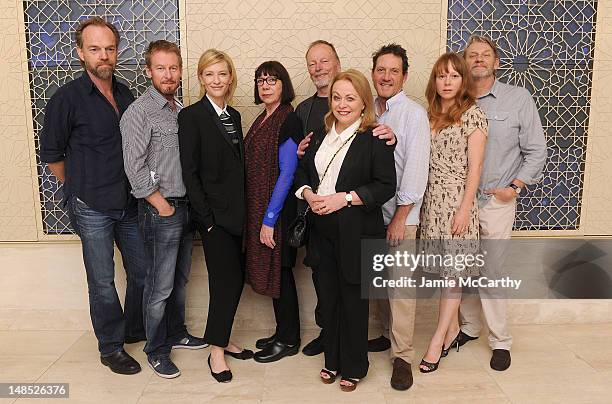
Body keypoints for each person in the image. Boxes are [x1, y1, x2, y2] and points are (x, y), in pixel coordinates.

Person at [39, 17, 146, 375]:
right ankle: (111, 347)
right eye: (95, 49)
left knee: (142, 271)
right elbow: (52, 155)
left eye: (110, 48)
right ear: (80, 52)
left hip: (128, 202)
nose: (104, 56)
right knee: (101, 281)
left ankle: (133, 329)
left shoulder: (126, 92)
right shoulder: (67, 98)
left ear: (117, 51)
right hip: (91, 206)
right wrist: (77, 189)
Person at [295, 69, 396, 392]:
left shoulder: (375, 137)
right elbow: (303, 173)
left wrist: (345, 199)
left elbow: (385, 187)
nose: (342, 104)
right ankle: (332, 360)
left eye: (350, 98)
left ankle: (354, 366)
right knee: (329, 298)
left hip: (357, 231)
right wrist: (309, 195)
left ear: (364, 102)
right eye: (337, 97)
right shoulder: (319, 134)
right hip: (321, 229)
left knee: (354, 300)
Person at [457, 35, 547, 371]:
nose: (478, 59)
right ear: (464, 63)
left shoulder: (517, 98)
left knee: (490, 271)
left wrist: (515, 186)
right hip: (459, 203)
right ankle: (468, 327)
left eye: (485, 55)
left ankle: (500, 341)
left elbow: (536, 149)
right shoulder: (455, 99)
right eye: (471, 55)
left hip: (496, 201)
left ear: (496, 63)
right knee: (462, 268)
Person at [120, 40, 207, 379]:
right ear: (148, 71)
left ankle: (176, 333)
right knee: (159, 286)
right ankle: (156, 349)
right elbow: (134, 165)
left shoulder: (179, 109)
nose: (168, 74)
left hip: (186, 207)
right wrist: (160, 204)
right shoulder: (139, 112)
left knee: (180, 280)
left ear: (180, 70)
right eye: (161, 68)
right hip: (162, 209)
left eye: (173, 68)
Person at [178, 49, 253, 383]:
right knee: (224, 283)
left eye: (222, 73)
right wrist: (205, 218)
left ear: (230, 77)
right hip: (213, 219)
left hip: (238, 215)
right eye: (210, 74)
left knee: (235, 281)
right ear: (201, 78)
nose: (217, 80)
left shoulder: (234, 115)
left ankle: (222, 337)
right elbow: (189, 172)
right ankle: (216, 352)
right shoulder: (191, 116)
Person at [418, 52, 487, 373]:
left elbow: (476, 170)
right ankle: (454, 329)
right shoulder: (428, 115)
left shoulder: (473, 115)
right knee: (441, 273)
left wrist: (463, 210)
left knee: (452, 276)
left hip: (458, 202)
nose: (446, 82)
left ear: (463, 80)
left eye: (453, 76)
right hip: (432, 203)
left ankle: (436, 341)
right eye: (441, 76)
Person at [369, 43, 430, 390]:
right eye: (381, 70)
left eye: (394, 70)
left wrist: (401, 216)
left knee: (401, 289)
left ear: (404, 76)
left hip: (401, 217)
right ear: (373, 72)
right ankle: (383, 335)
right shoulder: (372, 112)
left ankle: (402, 356)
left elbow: (417, 172)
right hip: (373, 214)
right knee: (378, 281)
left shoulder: (413, 114)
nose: (386, 76)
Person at [244, 61, 303, 363]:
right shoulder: (262, 118)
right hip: (261, 208)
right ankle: (282, 332)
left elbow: (287, 172)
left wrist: (270, 219)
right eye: (260, 80)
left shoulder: (288, 119)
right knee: (275, 272)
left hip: (278, 213)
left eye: (272, 79)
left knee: (282, 273)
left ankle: (290, 339)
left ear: (284, 84)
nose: (265, 85)